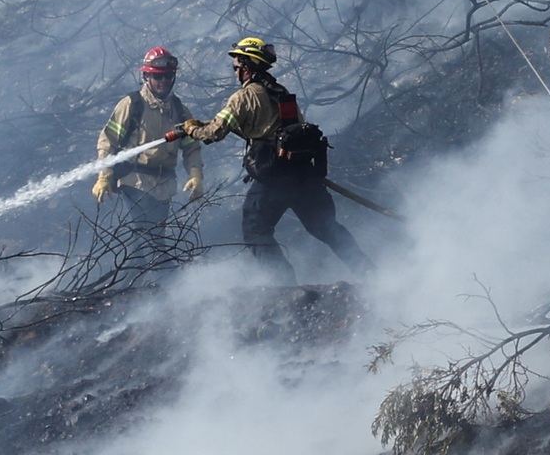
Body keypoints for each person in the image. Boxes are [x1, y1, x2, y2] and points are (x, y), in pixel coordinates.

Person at [177, 37, 372, 280]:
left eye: (236, 66)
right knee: (326, 227)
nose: (235, 70)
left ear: (247, 66)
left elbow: (214, 133)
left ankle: (286, 286)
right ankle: (369, 272)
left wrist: (190, 129)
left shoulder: (243, 97)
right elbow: (268, 126)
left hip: (274, 180)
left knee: (255, 229)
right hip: (304, 175)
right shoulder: (281, 93)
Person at [92, 46, 202, 227]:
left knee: (156, 240)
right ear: (146, 77)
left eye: (168, 76)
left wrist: (196, 174)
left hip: (164, 186)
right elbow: (107, 142)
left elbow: (192, 148)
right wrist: (104, 175)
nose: (163, 81)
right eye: (158, 76)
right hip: (133, 182)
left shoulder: (180, 111)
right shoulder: (131, 105)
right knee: (141, 236)